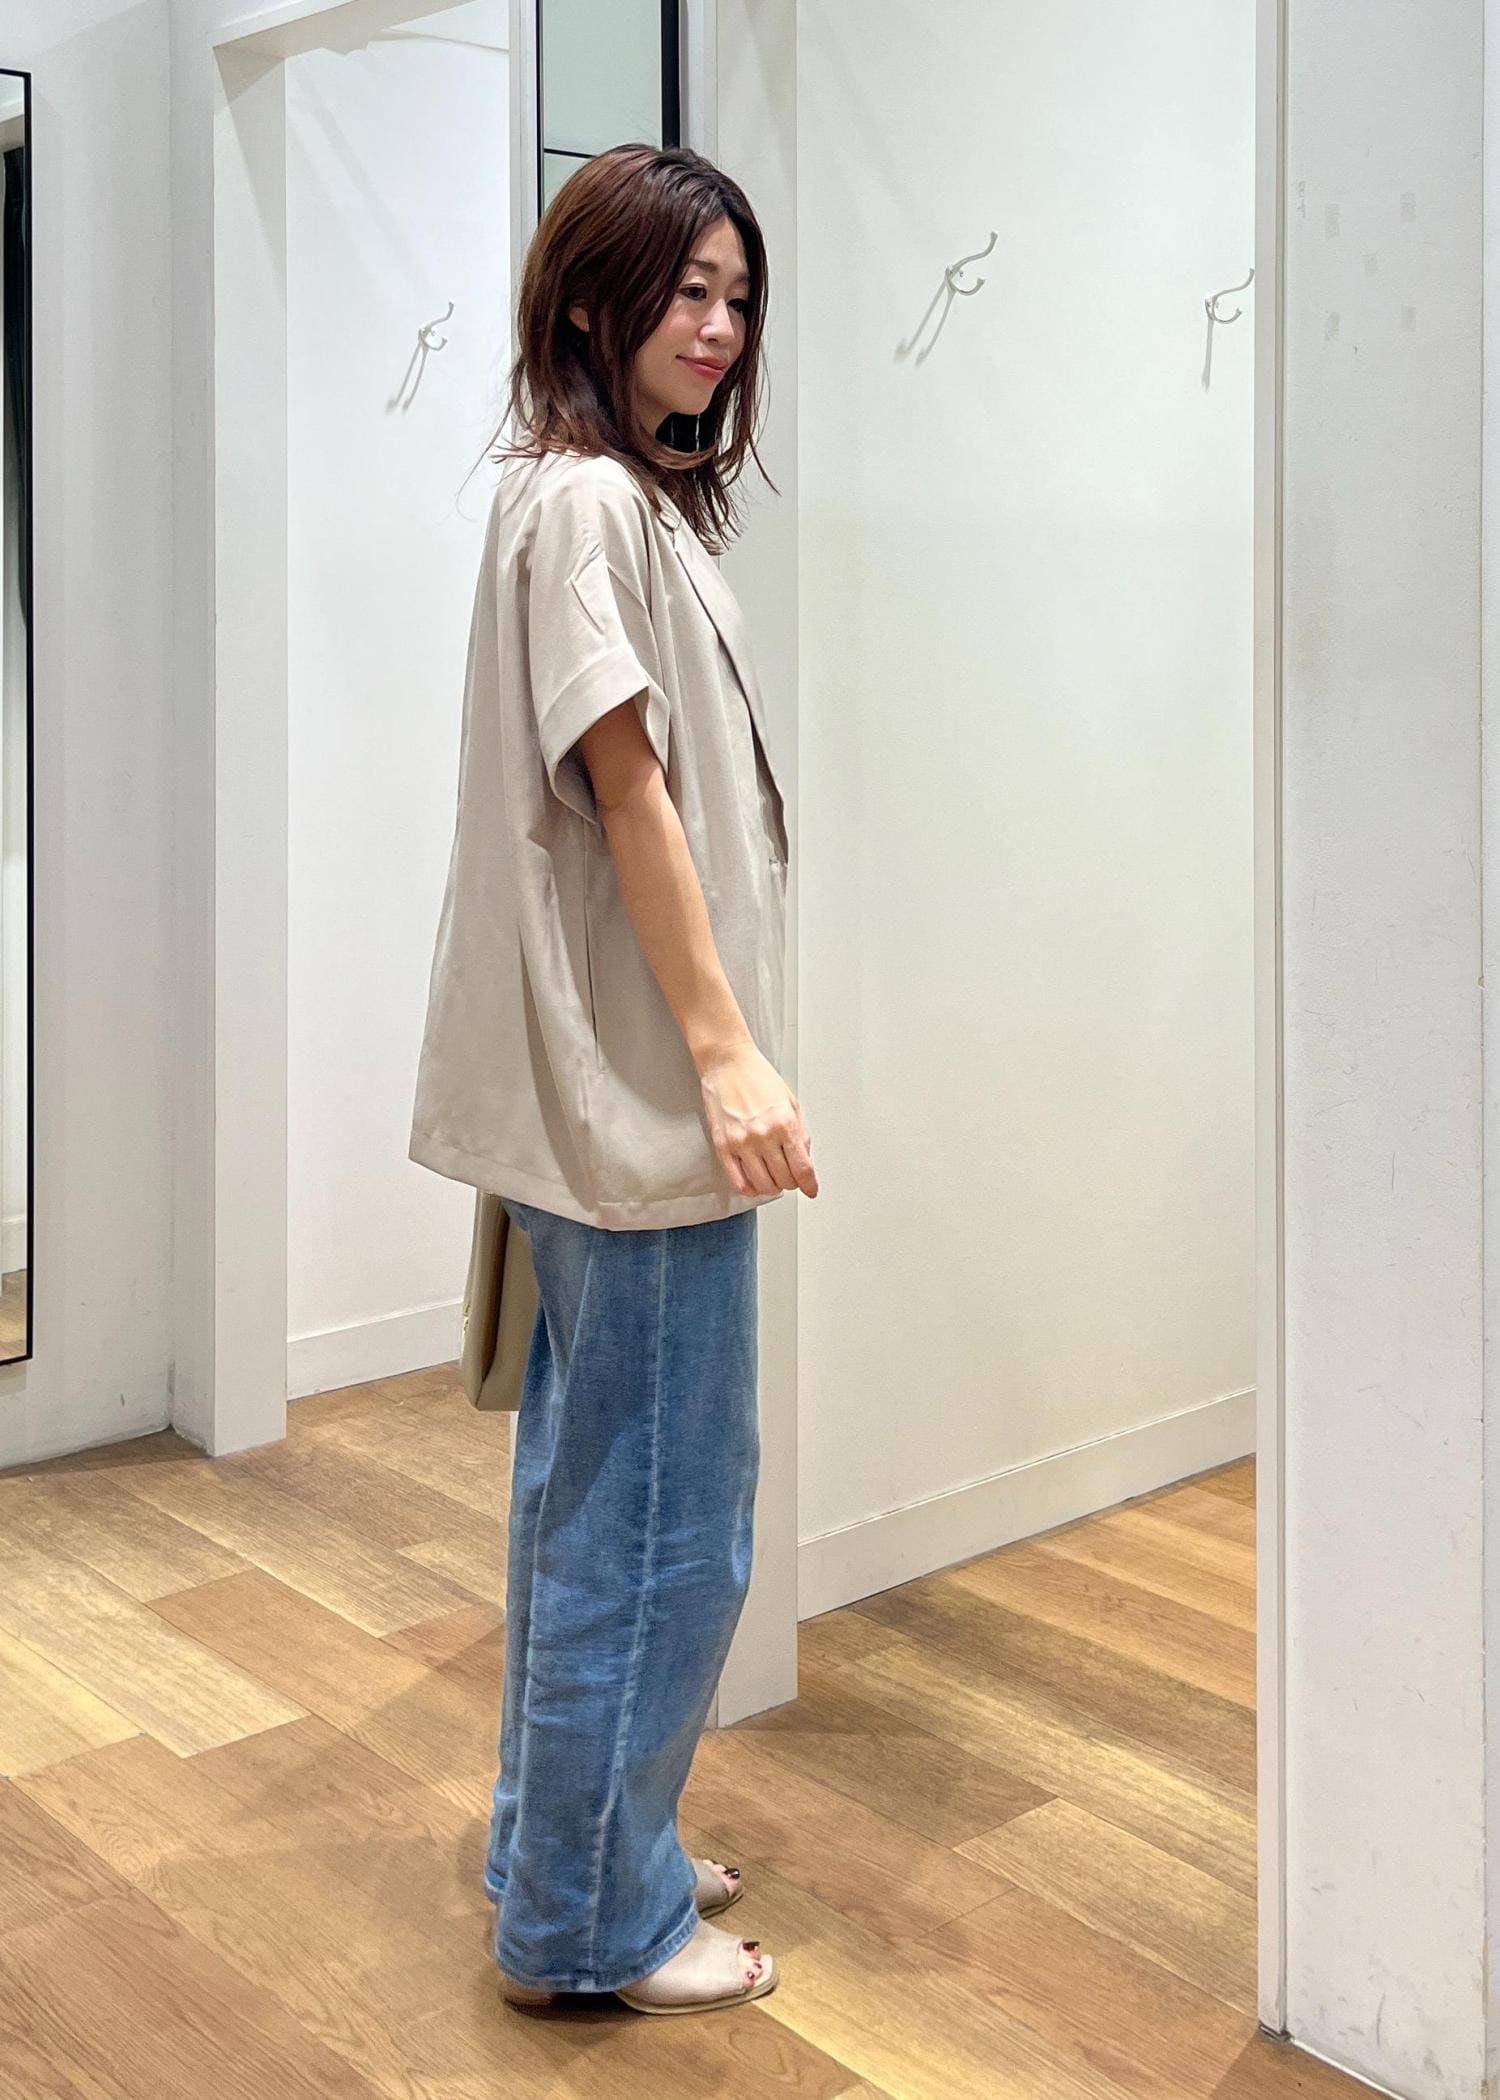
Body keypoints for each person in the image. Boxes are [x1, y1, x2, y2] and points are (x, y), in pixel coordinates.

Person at [407, 142, 818, 2018]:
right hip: (640, 1103)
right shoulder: (585, 503)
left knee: (597, 1499)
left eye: (737, 297)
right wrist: (727, 1054)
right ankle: (592, 1919)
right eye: (686, 291)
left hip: (607, 1103)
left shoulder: (586, 495)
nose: (718, 328)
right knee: (664, 1519)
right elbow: (626, 783)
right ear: (593, 300)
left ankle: (572, 1846)